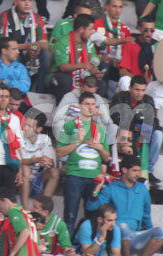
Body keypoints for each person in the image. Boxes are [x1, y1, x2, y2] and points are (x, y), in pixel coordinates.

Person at [88, 155, 163, 256]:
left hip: (136, 236)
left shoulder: (142, 189)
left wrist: (151, 234)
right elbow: (91, 206)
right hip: (116, 237)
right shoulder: (112, 188)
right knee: (123, 227)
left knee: (160, 231)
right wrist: (96, 190)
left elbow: (146, 215)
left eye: (139, 171)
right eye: (134, 171)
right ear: (124, 170)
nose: (138, 174)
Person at [57, 91, 109, 231]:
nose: (90, 108)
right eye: (87, 104)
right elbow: (59, 152)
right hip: (74, 176)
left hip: (94, 179)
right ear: (79, 106)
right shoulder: (70, 126)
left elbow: (106, 157)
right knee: (70, 217)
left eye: (93, 105)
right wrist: (77, 142)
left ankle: (85, 250)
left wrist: (100, 148)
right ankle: (66, 250)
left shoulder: (99, 129)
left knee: (92, 219)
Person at [109, 75, 163, 182]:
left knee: (157, 134)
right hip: (123, 132)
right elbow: (115, 118)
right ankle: (115, 164)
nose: (140, 94)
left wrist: (144, 127)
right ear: (130, 88)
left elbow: (154, 121)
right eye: (137, 90)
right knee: (115, 127)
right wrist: (135, 126)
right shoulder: (119, 98)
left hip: (141, 134)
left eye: (143, 90)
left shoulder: (148, 100)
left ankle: (148, 170)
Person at [0, 0, 51, 91]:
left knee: (46, 54)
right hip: (12, 52)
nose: (27, 4)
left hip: (30, 53)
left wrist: (37, 46)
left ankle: (39, 92)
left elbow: (45, 43)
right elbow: (2, 44)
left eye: (29, 1)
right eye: (23, 0)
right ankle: (12, 91)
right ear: (16, 2)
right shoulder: (4, 16)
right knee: (11, 54)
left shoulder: (37, 19)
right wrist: (26, 47)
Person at [48, 14, 102, 102]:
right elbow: (63, 67)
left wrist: (95, 71)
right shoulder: (63, 42)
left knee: (100, 83)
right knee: (65, 80)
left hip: (82, 76)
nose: (92, 32)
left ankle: (91, 109)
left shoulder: (89, 44)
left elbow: (91, 65)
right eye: (90, 29)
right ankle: (62, 108)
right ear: (81, 29)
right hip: (58, 77)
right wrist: (82, 65)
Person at [51, 75, 110, 140]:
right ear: (82, 86)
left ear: (96, 89)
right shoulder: (69, 96)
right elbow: (55, 117)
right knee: (59, 125)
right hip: (72, 127)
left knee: (112, 127)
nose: (88, 96)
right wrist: (78, 116)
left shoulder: (98, 99)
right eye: (86, 92)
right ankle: (64, 147)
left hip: (91, 129)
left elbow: (108, 122)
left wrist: (101, 114)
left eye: (91, 93)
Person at [20, 115, 60, 205]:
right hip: (20, 179)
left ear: (39, 129)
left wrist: (47, 163)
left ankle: (43, 206)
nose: (25, 128)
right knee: (25, 168)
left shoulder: (45, 139)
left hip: (38, 178)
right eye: (25, 125)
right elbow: (18, 160)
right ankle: (25, 210)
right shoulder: (19, 137)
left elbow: (50, 162)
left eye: (29, 126)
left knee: (55, 172)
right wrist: (37, 160)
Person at [92, 0, 132, 84]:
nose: (117, 10)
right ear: (107, 7)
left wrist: (121, 62)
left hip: (117, 66)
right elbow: (90, 48)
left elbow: (126, 52)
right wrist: (100, 57)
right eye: (114, 6)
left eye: (120, 7)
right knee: (104, 65)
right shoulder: (96, 25)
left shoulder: (125, 29)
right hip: (100, 63)